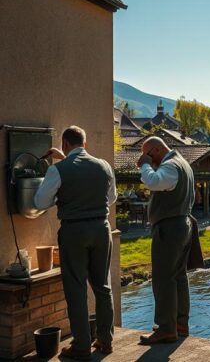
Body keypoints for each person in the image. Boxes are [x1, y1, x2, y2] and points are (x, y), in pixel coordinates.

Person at [33, 126, 115, 359]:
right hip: (101, 228)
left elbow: (40, 202)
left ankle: (81, 345)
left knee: (76, 288)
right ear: (84, 143)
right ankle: (105, 341)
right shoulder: (104, 166)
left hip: (74, 231)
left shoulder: (58, 169)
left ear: (65, 144)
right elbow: (111, 198)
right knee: (103, 287)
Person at [137, 137, 195, 344]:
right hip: (183, 223)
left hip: (169, 228)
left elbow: (153, 181)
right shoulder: (184, 164)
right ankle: (180, 324)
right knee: (178, 276)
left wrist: (144, 165)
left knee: (163, 279)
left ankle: (166, 328)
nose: (148, 160)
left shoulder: (170, 165)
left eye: (148, 155)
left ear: (156, 150)